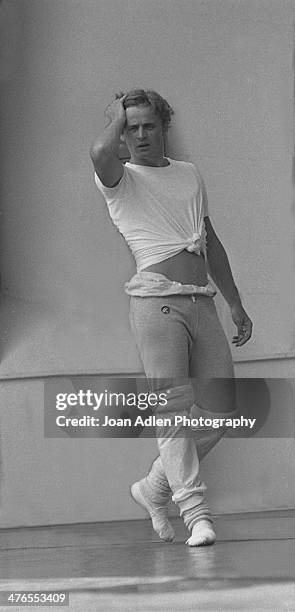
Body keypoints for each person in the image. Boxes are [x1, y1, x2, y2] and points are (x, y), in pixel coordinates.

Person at [90, 89, 253, 546]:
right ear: (123, 132)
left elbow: (210, 240)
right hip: (155, 304)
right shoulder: (120, 179)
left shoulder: (188, 175)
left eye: (148, 125)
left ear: (164, 128)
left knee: (221, 411)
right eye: (131, 127)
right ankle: (195, 511)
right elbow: (101, 150)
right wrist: (118, 111)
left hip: (202, 302)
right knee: (172, 411)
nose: (139, 134)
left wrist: (235, 302)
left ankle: (155, 488)